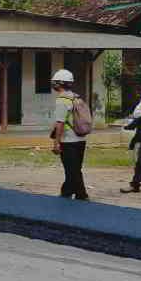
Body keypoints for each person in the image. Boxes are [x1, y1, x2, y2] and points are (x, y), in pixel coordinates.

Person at [49, 69, 88, 201]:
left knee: (72, 170)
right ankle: (69, 192)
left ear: (59, 83)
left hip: (68, 140)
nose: (53, 84)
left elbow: (60, 124)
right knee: (75, 169)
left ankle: (81, 195)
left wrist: (56, 143)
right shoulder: (76, 97)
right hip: (81, 138)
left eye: (54, 82)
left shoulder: (62, 100)